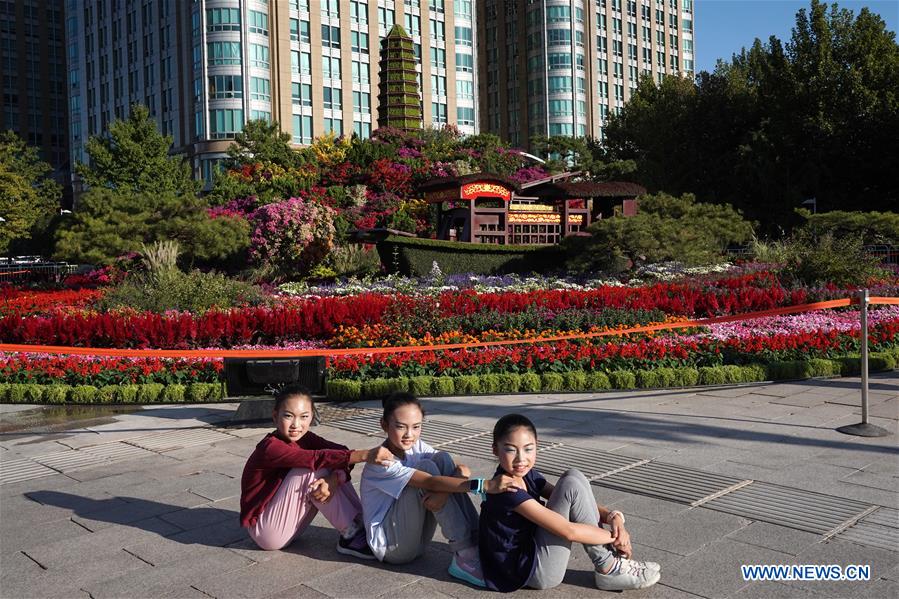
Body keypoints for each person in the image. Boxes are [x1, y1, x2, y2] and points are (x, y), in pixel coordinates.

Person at [479, 413, 662, 592]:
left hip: (534, 551)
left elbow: (574, 499)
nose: (521, 459)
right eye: (511, 449)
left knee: (573, 476)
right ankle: (609, 566)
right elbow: (569, 531)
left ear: (537, 446)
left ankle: (610, 564)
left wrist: (614, 518)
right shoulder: (506, 490)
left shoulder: (528, 476)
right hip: (533, 572)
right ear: (495, 449)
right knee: (571, 483)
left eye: (528, 449)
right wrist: (617, 538)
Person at [360, 392, 520, 587]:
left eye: (416, 427)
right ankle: (465, 555)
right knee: (427, 470)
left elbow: (459, 468)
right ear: (384, 425)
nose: (409, 434)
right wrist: (484, 485)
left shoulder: (415, 446)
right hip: (392, 548)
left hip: (417, 541)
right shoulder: (381, 462)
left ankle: (478, 543)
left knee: (441, 459)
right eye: (400, 426)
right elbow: (431, 482)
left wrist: (446, 490)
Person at [239, 384, 394, 556]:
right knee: (311, 470)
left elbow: (341, 451)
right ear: (275, 416)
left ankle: (360, 524)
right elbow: (315, 459)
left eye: (304, 416)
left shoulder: (307, 438)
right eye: (288, 416)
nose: (296, 424)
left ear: (312, 417)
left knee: (331, 464)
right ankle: (350, 534)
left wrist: (334, 479)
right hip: (265, 532)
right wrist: (365, 455)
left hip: (288, 527)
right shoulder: (271, 447)